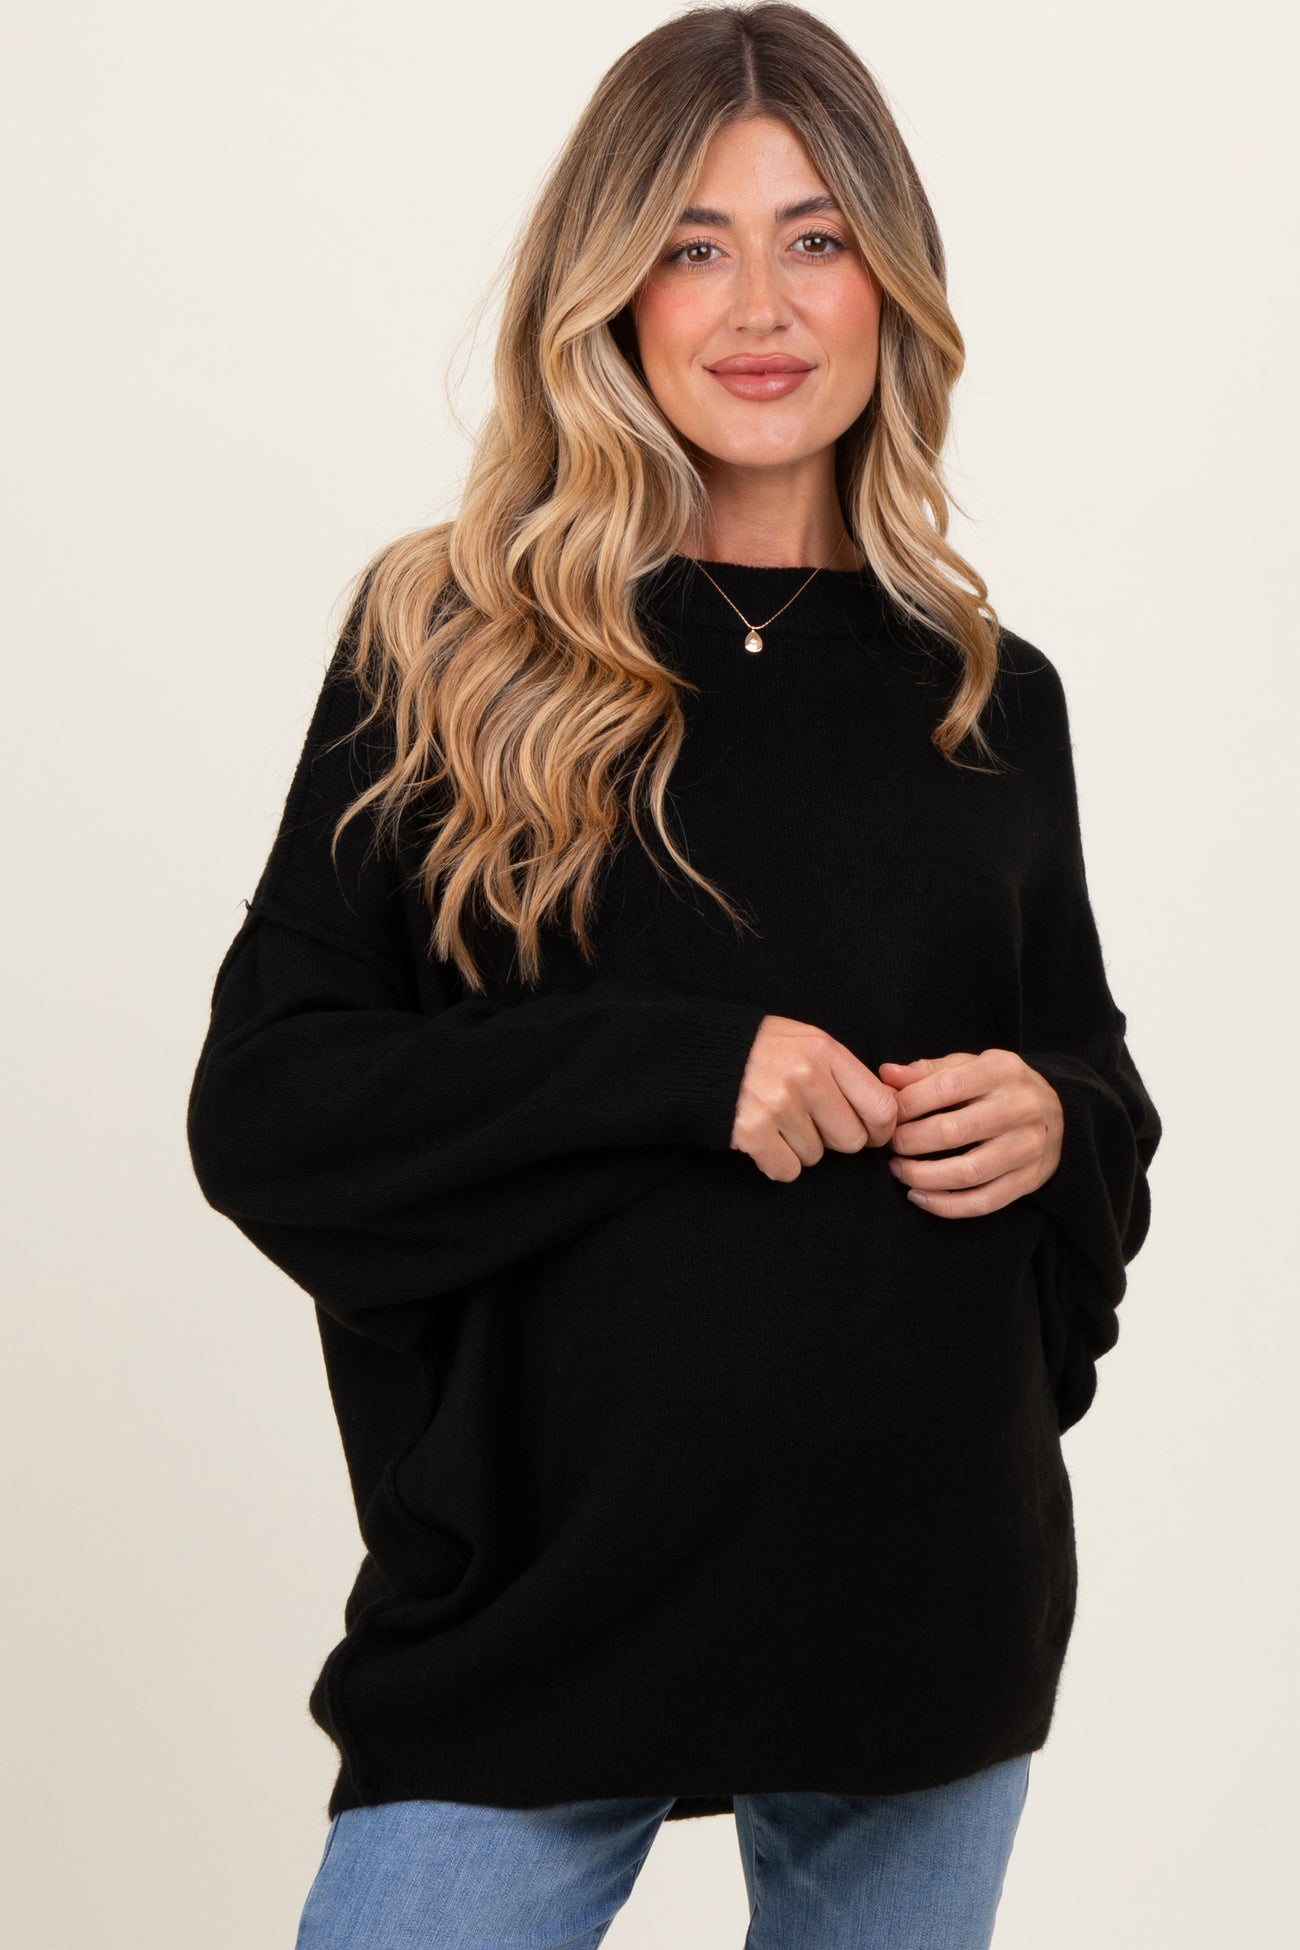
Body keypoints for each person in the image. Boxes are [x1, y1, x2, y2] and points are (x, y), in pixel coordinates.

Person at [185, 6, 1163, 1946]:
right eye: (693, 243)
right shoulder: (447, 644)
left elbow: (1101, 1103)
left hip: (922, 1604)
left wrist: (1051, 1120)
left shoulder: (986, 697)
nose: (760, 306)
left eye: (816, 239)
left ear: (890, 283)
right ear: (611, 291)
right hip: (540, 1605)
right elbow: (270, 1106)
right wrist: (676, 1069)